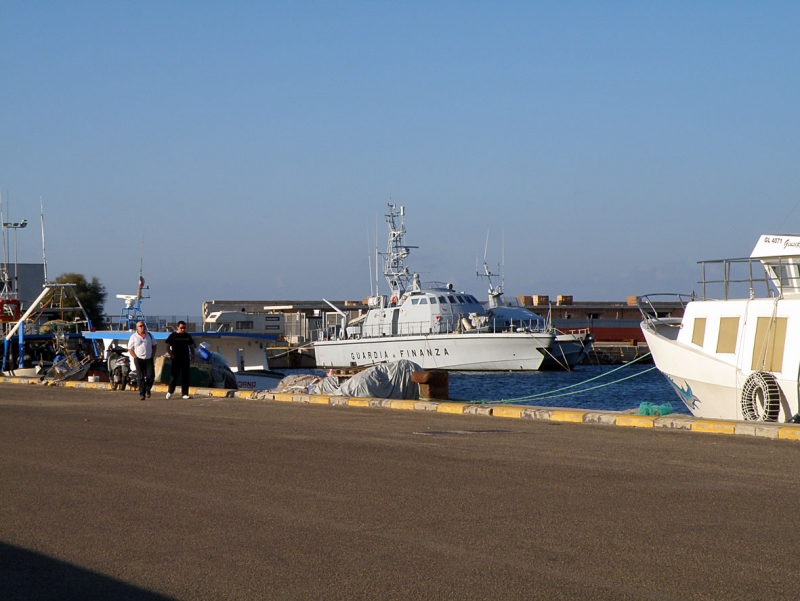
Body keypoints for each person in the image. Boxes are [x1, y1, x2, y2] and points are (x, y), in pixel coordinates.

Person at [165, 321, 196, 399]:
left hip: (185, 359)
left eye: (184, 328)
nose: (183, 329)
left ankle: (184, 393)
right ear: (177, 327)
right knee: (174, 376)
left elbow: (191, 346)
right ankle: (170, 392)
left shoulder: (187, 336)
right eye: (181, 328)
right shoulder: (173, 336)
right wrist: (172, 356)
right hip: (176, 359)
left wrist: (194, 355)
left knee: (185, 376)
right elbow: (167, 347)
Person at [128, 321, 157, 400]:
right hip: (139, 359)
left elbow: (154, 345)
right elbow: (130, 348)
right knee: (140, 377)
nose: (142, 327)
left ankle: (147, 389)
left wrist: (153, 354)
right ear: (137, 328)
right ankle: (142, 394)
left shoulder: (149, 335)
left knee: (150, 376)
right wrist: (135, 357)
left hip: (149, 359)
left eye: (143, 326)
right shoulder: (134, 337)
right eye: (140, 326)